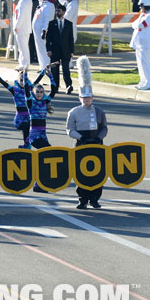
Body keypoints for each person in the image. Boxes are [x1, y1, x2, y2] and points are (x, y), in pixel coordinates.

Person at [67, 56, 108, 209]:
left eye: (89, 97)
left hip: (97, 143)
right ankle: (82, 199)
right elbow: (69, 129)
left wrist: (99, 137)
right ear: (80, 98)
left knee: (98, 171)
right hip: (81, 144)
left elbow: (104, 127)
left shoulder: (99, 111)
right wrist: (80, 137)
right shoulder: (74, 112)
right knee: (81, 171)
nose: (86, 100)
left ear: (93, 98)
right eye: (84, 98)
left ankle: (95, 199)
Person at [45, 4, 74, 95]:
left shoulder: (69, 24)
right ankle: (55, 87)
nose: (57, 12)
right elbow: (48, 38)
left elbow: (70, 38)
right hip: (55, 51)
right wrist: (48, 50)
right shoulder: (52, 23)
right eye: (56, 11)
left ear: (64, 12)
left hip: (66, 51)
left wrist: (72, 51)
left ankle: (68, 86)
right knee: (54, 70)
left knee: (66, 69)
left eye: (59, 11)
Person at [130, 0, 150, 90]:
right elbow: (134, 24)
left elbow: (140, 25)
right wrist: (136, 25)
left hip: (146, 45)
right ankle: (143, 81)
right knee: (140, 64)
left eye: (141, 6)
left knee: (146, 64)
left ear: (146, 6)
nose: (140, 8)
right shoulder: (143, 15)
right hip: (140, 44)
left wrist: (136, 25)